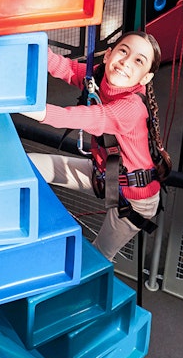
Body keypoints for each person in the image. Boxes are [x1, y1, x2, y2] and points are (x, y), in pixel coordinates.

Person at [22, 32, 165, 260]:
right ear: (108, 55)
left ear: (145, 78)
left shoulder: (131, 109)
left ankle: (86, 290)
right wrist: (27, 45)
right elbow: (64, 67)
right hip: (105, 174)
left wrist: (19, 102)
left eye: (139, 61)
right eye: (123, 51)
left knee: (99, 254)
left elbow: (78, 118)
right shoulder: (98, 77)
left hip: (135, 198)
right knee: (28, 164)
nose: (126, 62)